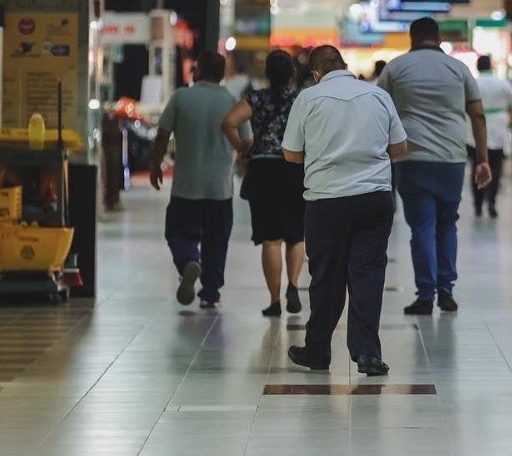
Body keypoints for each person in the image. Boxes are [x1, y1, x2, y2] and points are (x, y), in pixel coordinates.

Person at [281, 46, 408, 377]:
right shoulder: (377, 96)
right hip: (374, 199)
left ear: (316, 73)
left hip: (326, 201)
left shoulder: (308, 99)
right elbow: (400, 148)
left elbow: (291, 155)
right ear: (345, 66)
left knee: (326, 277)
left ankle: (318, 351)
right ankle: (367, 353)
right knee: (367, 274)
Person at [377, 18, 491, 315]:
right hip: (451, 158)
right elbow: (478, 116)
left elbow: (378, 112)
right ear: (438, 38)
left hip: (411, 158)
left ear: (411, 37)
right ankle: (446, 290)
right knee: (447, 223)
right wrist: (483, 159)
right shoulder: (459, 68)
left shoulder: (395, 68)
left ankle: (426, 294)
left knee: (422, 227)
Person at [149, 51, 251, 309]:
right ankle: (210, 291)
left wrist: (155, 165)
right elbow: (247, 142)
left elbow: (162, 135)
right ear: (221, 74)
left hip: (186, 185)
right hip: (220, 188)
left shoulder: (182, 97)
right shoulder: (231, 100)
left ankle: (187, 261)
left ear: (199, 69)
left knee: (177, 231)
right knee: (217, 240)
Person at [221, 50, 306, 318]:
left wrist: (243, 148)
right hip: (294, 169)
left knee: (271, 240)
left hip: (263, 170)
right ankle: (293, 285)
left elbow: (228, 122)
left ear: (267, 73)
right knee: (296, 235)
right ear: (292, 73)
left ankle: (274, 301)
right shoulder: (300, 102)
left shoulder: (256, 98)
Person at [466, 55, 512, 218]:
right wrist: (508, 122)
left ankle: (477, 203)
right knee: (495, 169)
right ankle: (492, 201)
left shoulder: (473, 84)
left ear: (477, 66)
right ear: (491, 66)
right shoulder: (503, 84)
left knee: (477, 166)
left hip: (473, 132)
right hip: (498, 130)